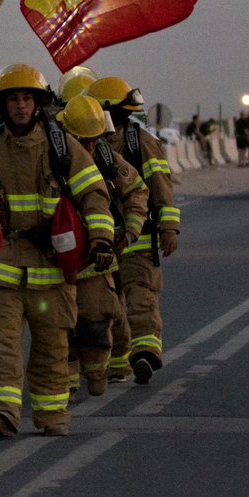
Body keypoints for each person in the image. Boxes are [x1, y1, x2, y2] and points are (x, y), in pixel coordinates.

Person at [0, 64, 113, 438]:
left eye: (26, 98)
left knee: (52, 349)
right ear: (1, 105)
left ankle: (52, 414)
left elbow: (93, 193)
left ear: (38, 103)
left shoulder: (61, 146)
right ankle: (1, 412)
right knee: (1, 347)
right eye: (13, 99)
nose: (20, 106)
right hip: (3, 269)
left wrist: (100, 236)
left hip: (51, 269)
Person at [87, 77, 180, 386]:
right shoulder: (83, 145)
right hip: (101, 240)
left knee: (141, 299)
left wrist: (168, 227)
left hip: (139, 238)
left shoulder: (141, 142)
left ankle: (145, 353)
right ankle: (116, 363)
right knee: (109, 308)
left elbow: (161, 185)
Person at [56, 95, 148, 397]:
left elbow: (136, 190)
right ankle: (64, 389)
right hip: (57, 262)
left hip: (98, 260)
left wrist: (129, 233)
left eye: (94, 141)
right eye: (83, 142)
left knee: (97, 323)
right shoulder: (54, 155)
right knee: (60, 331)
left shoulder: (108, 159)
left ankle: (101, 374)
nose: (90, 149)